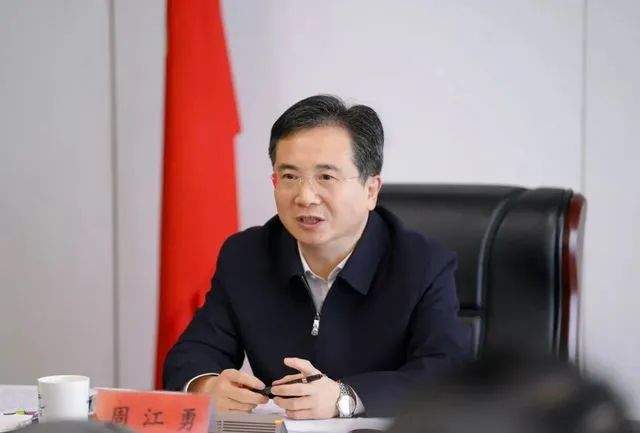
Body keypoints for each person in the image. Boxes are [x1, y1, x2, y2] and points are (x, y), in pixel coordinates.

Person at [163, 95, 471, 419]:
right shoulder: (246, 255)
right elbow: (192, 354)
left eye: (326, 177)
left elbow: (446, 374)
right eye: (290, 176)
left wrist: (346, 398)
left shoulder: (423, 264)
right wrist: (207, 387)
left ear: (371, 190)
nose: (305, 197)